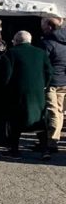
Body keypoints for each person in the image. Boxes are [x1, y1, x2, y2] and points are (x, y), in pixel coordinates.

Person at [2, 31, 53, 159]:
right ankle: (45, 149)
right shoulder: (41, 53)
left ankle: (14, 150)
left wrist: (4, 89)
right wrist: (43, 85)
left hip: (17, 92)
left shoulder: (11, 53)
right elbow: (49, 72)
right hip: (37, 93)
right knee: (39, 120)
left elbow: (6, 75)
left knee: (15, 120)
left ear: (16, 40)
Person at [40, 17, 66, 158]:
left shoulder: (48, 43)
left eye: (43, 25)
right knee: (60, 112)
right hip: (64, 81)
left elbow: (43, 63)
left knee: (52, 112)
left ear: (49, 27)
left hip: (52, 82)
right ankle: (54, 139)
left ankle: (51, 142)